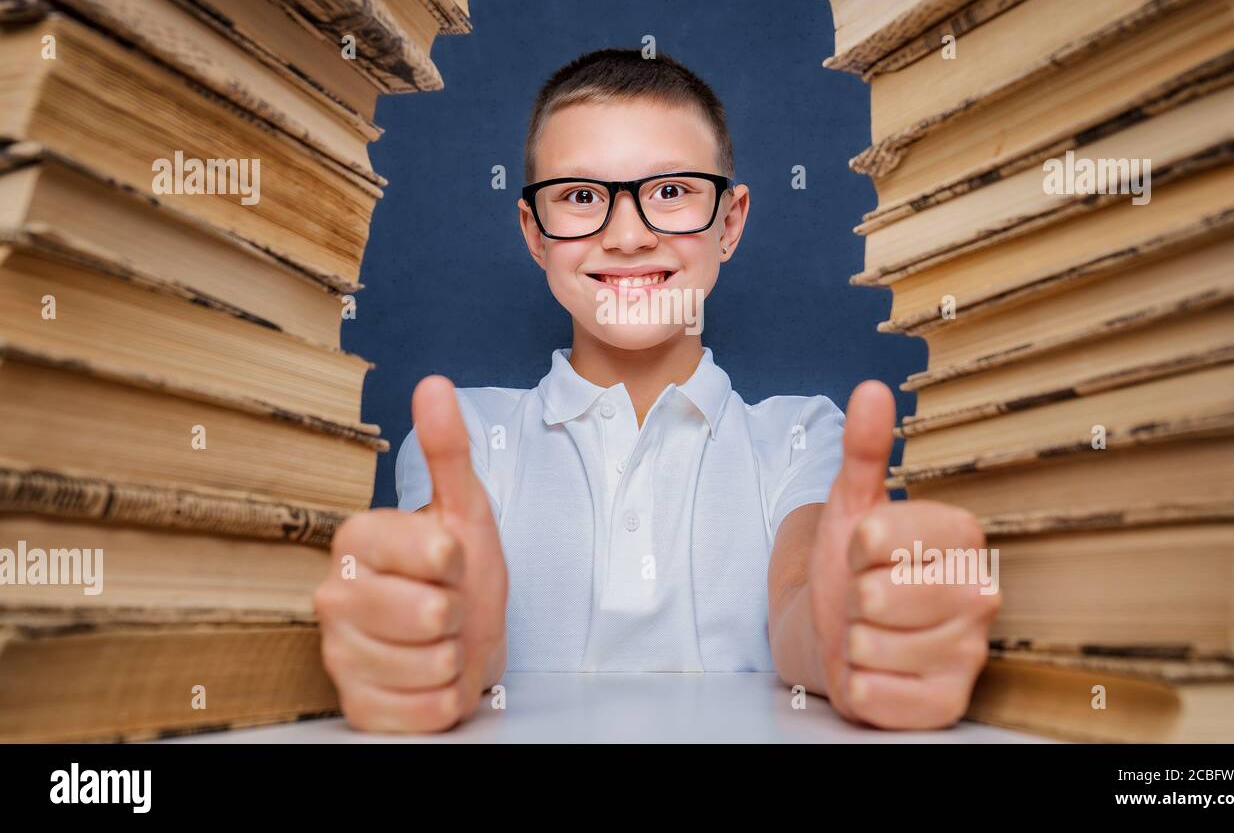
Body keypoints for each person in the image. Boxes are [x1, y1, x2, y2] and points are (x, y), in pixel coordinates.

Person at [313, 49, 1001, 733]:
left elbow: (802, 597)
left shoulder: (803, 436)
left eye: (671, 191)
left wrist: (846, 630)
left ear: (729, 223)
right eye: (581, 197)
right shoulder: (464, 434)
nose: (628, 235)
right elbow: (456, 600)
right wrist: (447, 636)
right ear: (534, 233)